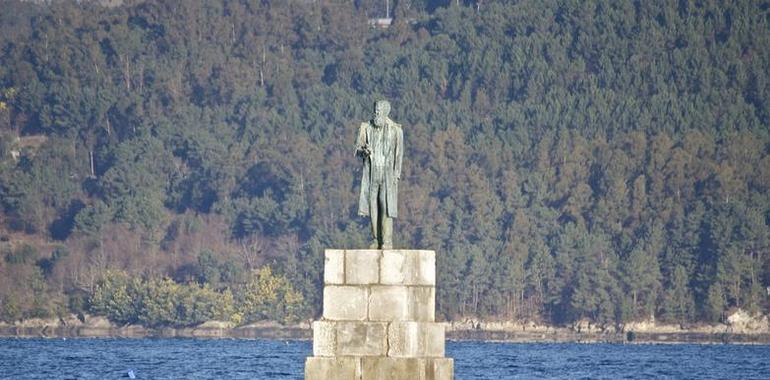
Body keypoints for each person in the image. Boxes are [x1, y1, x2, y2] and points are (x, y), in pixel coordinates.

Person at [355, 100, 403, 249]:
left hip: (387, 174)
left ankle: (387, 240)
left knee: (385, 204)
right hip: (372, 173)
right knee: (373, 206)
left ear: (386, 112)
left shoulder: (395, 130)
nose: (376, 113)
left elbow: (399, 154)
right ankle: (376, 239)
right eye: (375, 109)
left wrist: (396, 174)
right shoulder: (366, 128)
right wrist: (364, 150)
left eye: (379, 110)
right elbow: (358, 149)